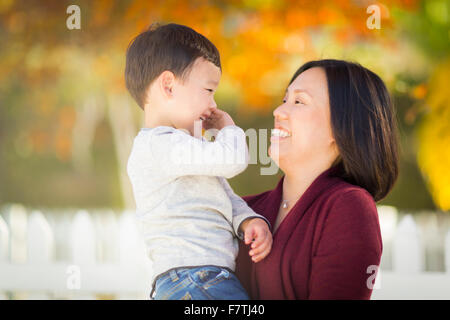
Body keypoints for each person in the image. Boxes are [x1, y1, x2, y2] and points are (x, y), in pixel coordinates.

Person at [125, 23, 272, 300]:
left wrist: (247, 219)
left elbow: (222, 195)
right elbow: (233, 160)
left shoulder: (184, 147)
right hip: (194, 279)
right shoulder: (157, 146)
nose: (213, 104)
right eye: (208, 90)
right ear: (168, 85)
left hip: (199, 280)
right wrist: (228, 128)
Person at [235, 59, 399, 299]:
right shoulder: (242, 209)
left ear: (342, 126)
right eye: (284, 100)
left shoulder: (349, 207)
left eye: (299, 102)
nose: (278, 111)